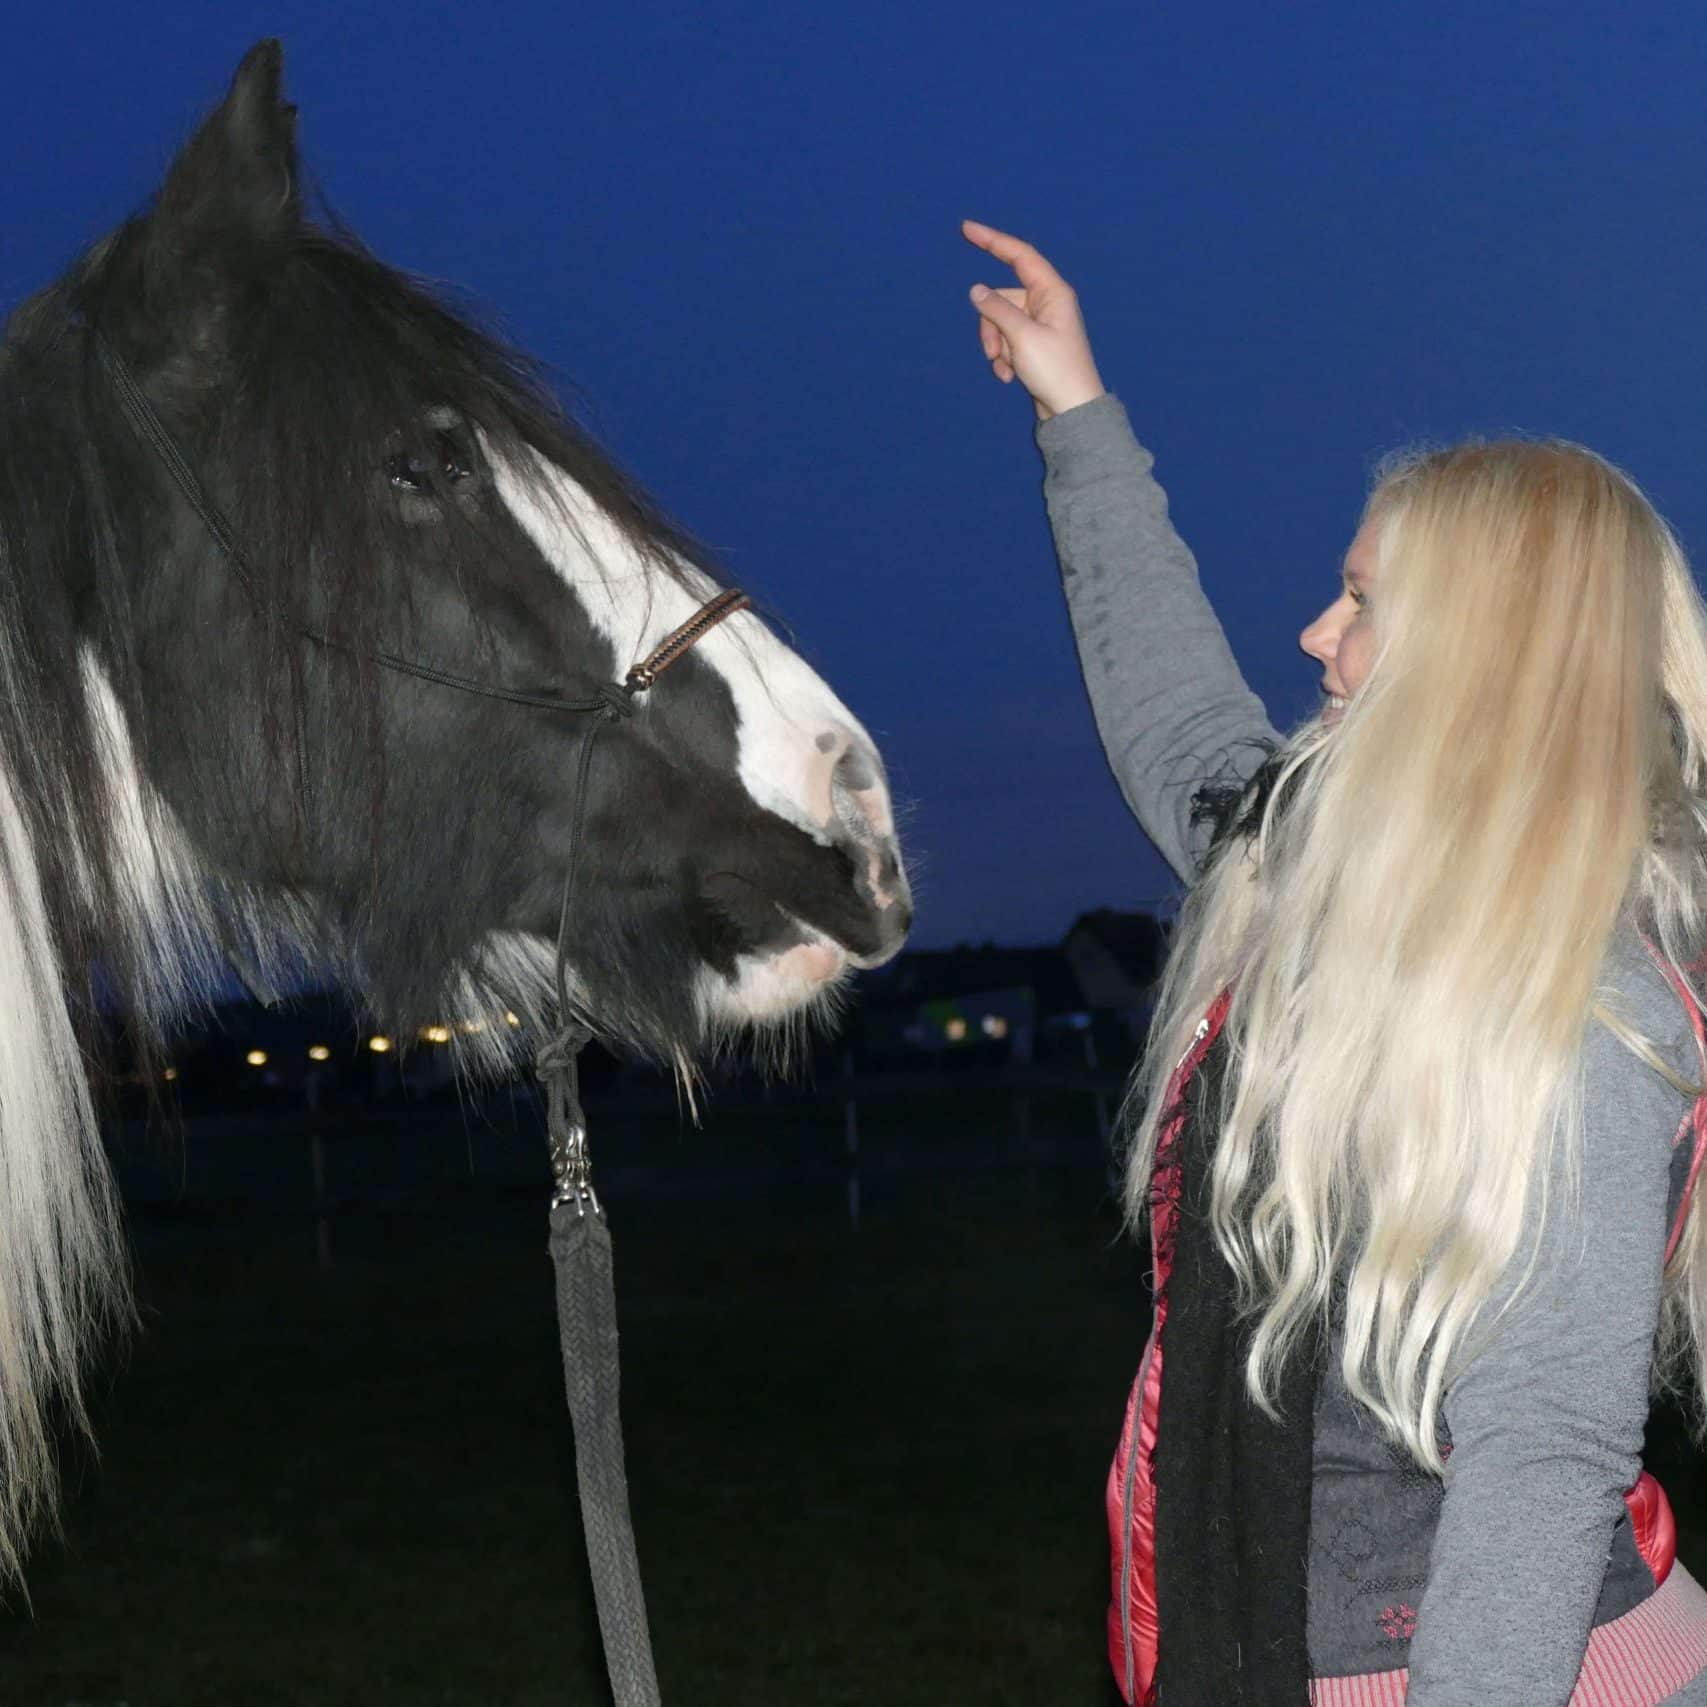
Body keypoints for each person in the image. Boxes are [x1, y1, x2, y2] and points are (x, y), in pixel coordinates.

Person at [963, 218, 1707, 1705]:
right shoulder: (1322, 888)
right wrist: (1078, 415)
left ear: (1478, 659)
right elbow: (1182, 728)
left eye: (1364, 601)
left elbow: (1541, 1462)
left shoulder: (1582, 1010)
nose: (1314, 633)